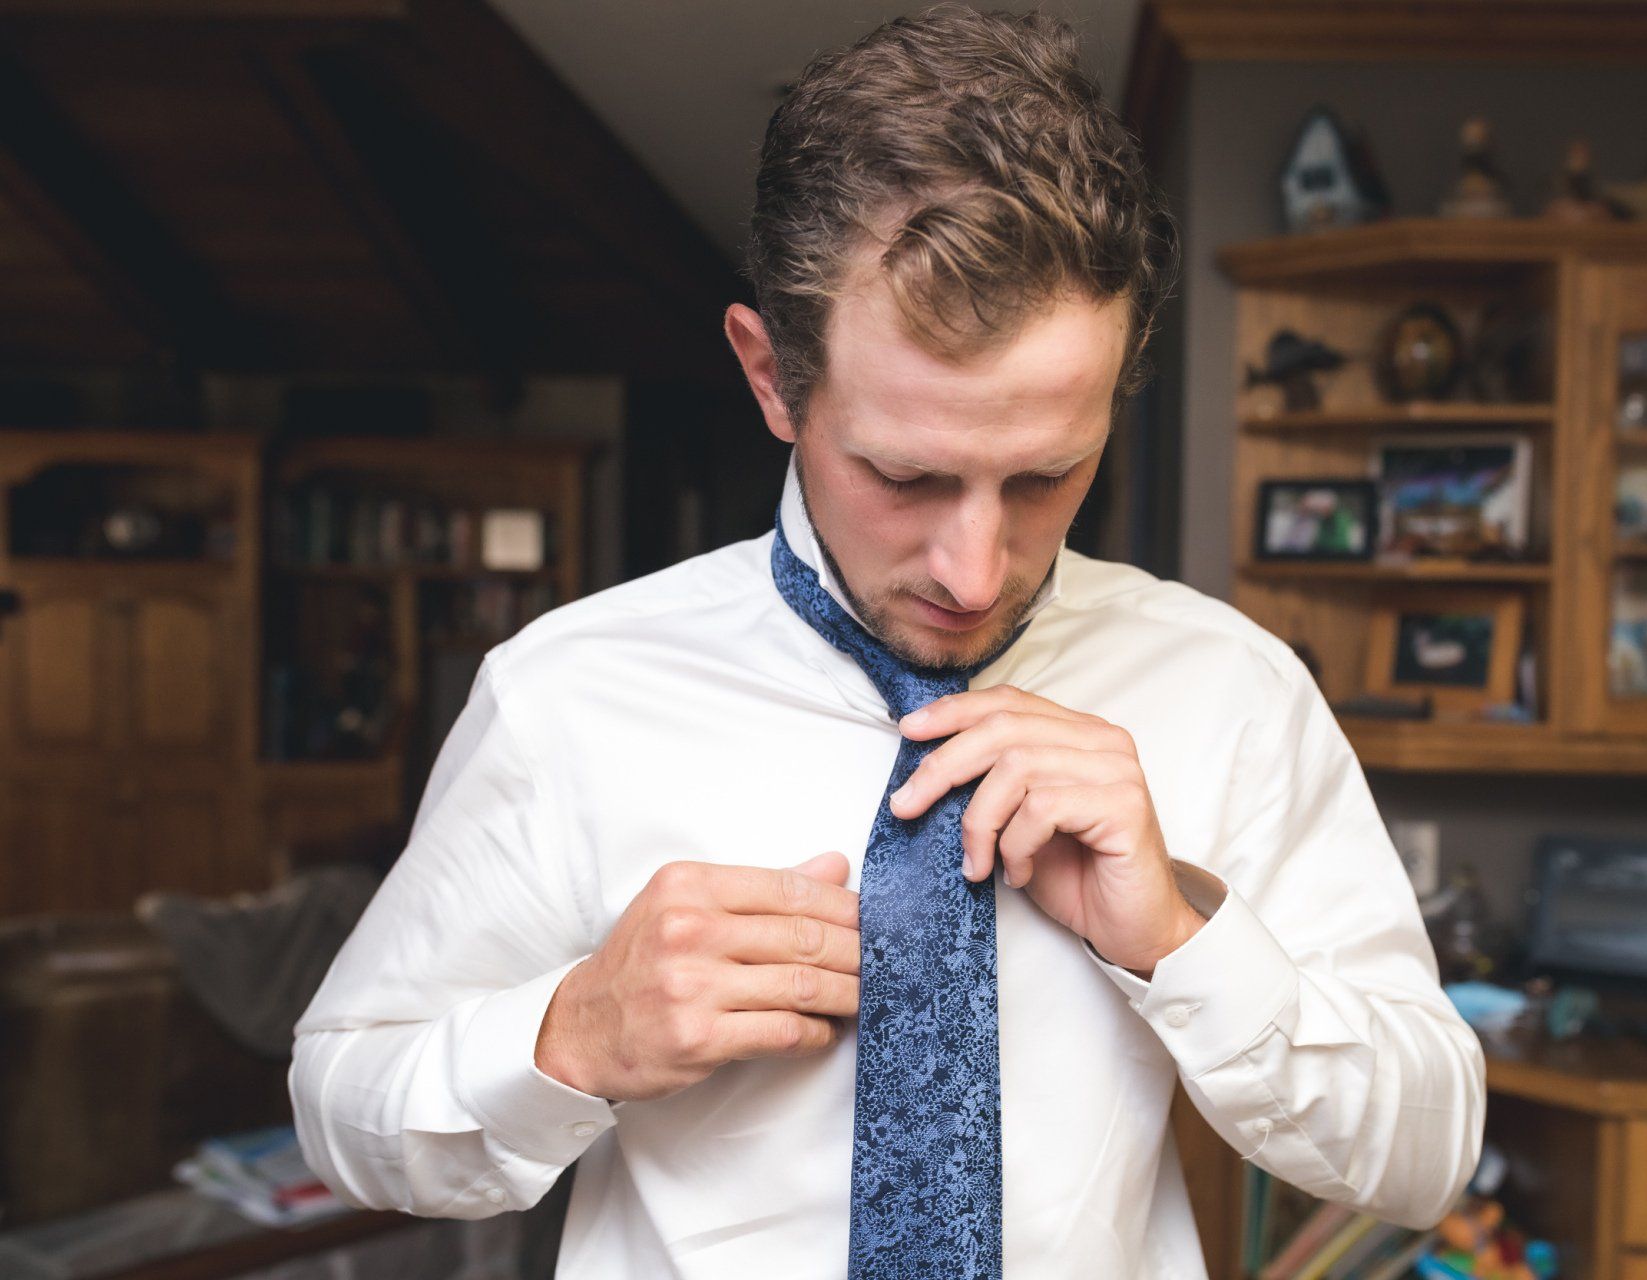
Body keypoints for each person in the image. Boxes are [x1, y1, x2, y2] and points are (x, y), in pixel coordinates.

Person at [288, 6, 1486, 1277]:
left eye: (1045, 475)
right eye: (904, 475)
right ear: (770, 375)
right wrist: (571, 1031)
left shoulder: (1232, 691)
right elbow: (343, 1108)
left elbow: (1425, 1155)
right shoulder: (565, 696)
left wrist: (1185, 941)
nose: (974, 572)